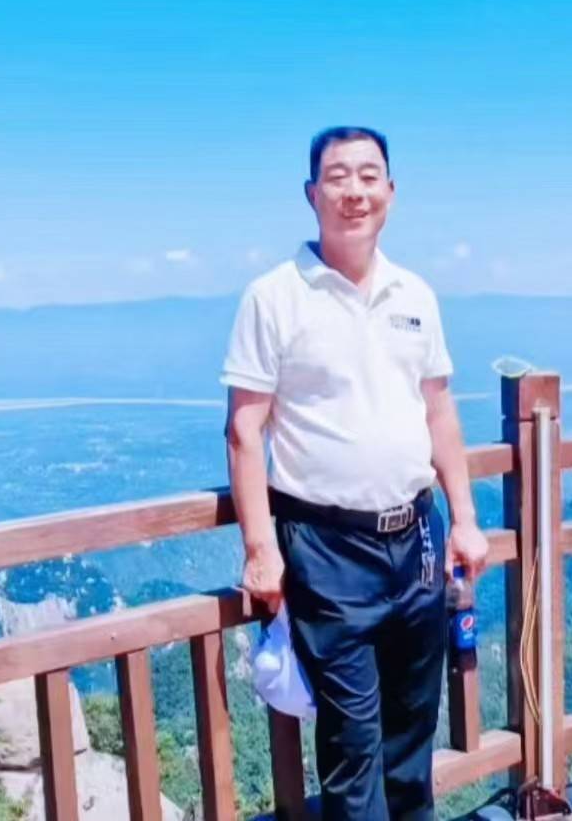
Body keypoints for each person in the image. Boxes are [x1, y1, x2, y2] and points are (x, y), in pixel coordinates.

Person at [222, 125, 489, 820]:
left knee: (412, 734)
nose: (354, 191)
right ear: (312, 194)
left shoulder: (414, 294)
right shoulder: (274, 296)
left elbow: (438, 411)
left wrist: (464, 519)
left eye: (369, 176)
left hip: (418, 537)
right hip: (325, 544)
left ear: (391, 193)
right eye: (338, 176)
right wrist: (260, 549)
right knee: (352, 743)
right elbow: (245, 429)